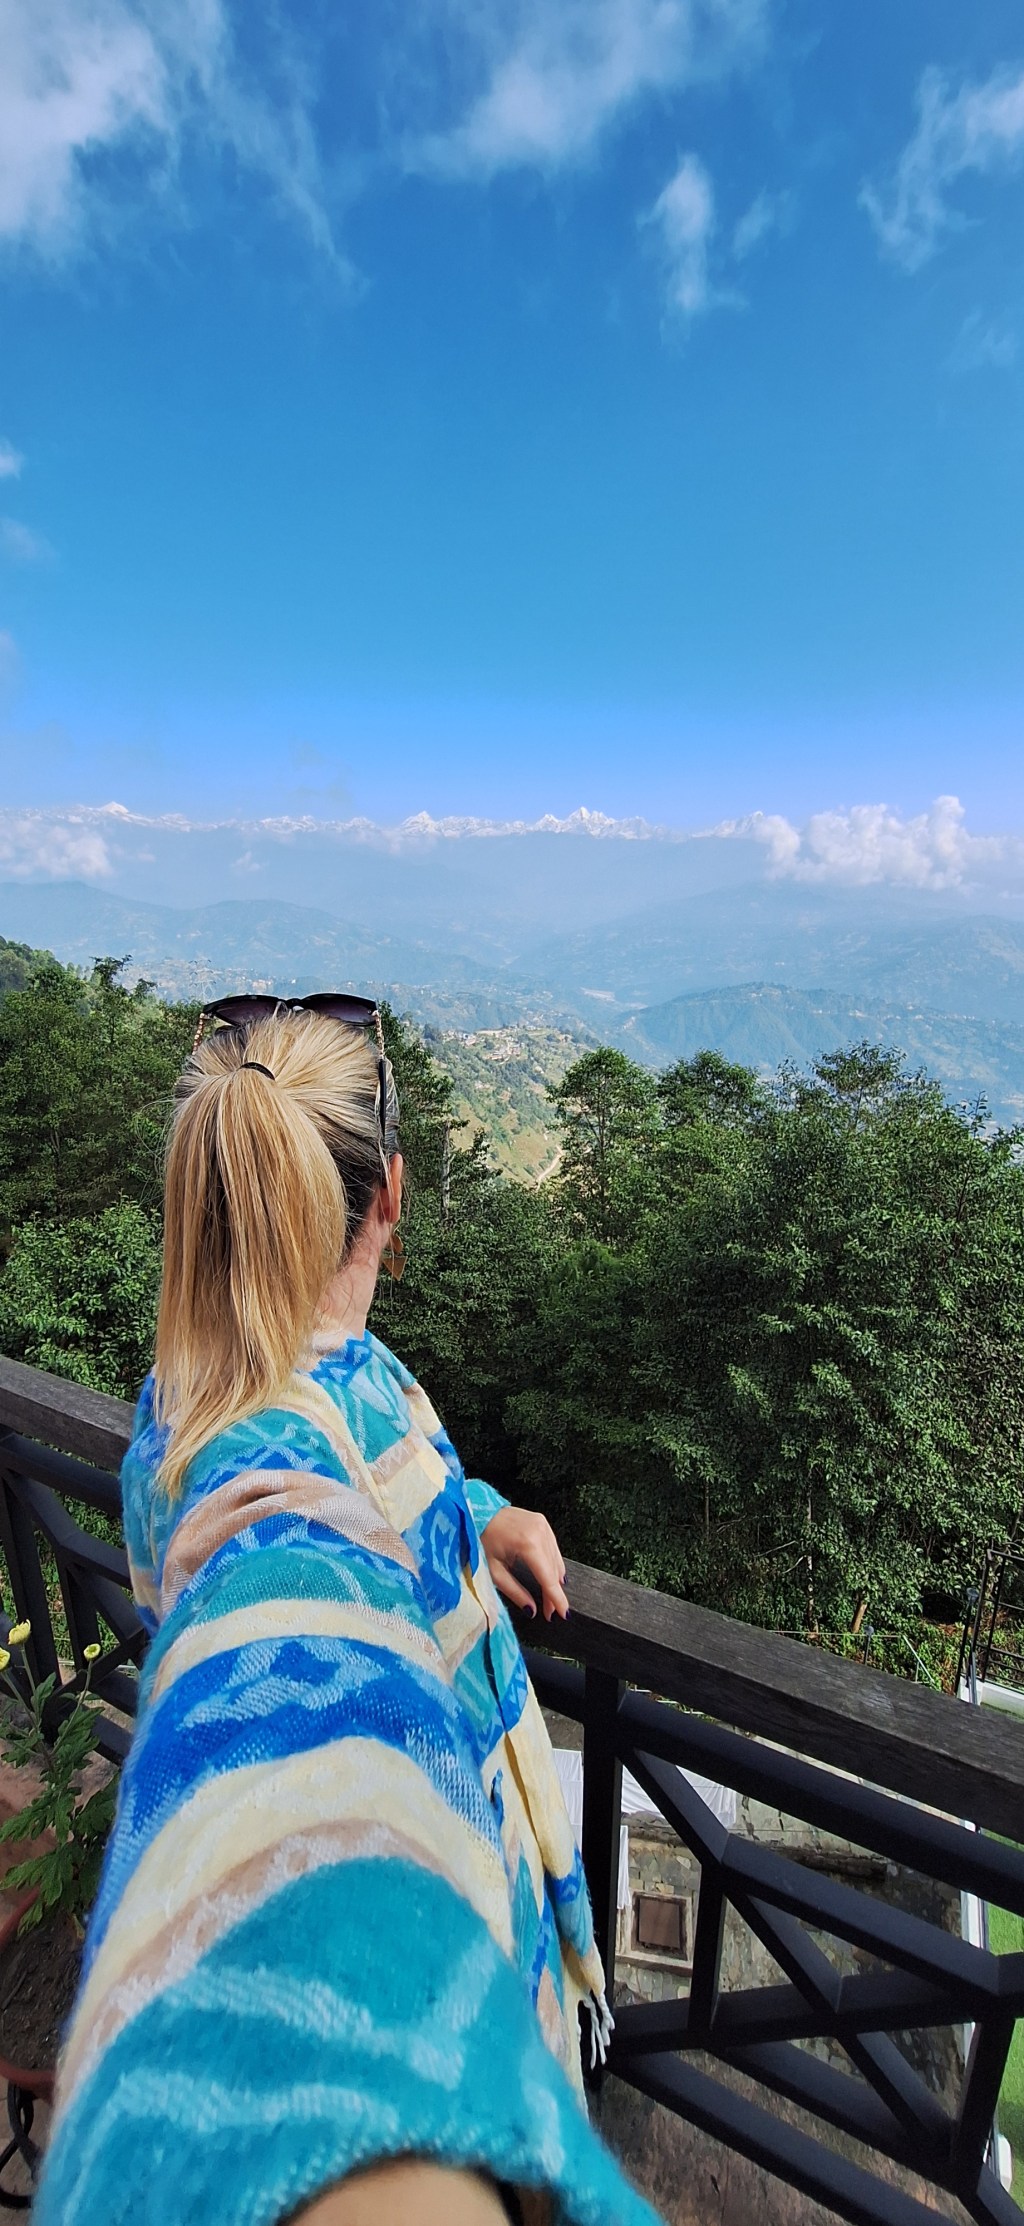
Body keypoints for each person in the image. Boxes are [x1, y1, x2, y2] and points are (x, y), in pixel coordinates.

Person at [36, 996, 658, 2226]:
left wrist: (472, 1510)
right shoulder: (264, 1465)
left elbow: (367, 1480)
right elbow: (294, 1586)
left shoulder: (193, 1391)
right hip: (441, 1888)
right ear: (389, 1196)